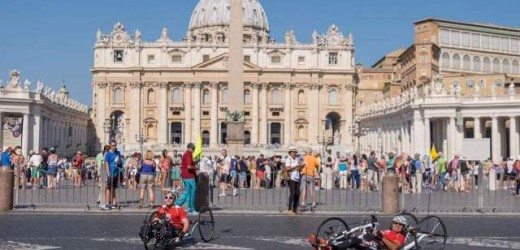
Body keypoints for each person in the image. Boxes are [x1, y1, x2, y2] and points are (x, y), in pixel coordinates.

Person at [310, 216, 407, 250]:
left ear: (403, 227)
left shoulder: (400, 236)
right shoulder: (387, 230)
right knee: (350, 234)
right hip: (370, 240)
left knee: (354, 240)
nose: (397, 225)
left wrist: (381, 237)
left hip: (377, 247)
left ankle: (330, 248)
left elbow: (394, 248)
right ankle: (324, 242)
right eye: (395, 223)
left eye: (400, 224)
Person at [175, 143, 197, 214]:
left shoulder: (186, 154)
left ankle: (189, 208)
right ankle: (177, 204)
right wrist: (197, 168)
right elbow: (189, 167)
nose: (194, 150)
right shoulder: (188, 154)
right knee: (190, 193)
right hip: (189, 176)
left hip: (186, 176)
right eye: (193, 148)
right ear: (189, 148)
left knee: (188, 193)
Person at [285, 147, 303, 215]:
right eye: (293, 152)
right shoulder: (288, 159)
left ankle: (295, 208)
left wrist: (301, 166)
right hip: (291, 177)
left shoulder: (296, 159)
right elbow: (287, 168)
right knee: (292, 193)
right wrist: (296, 166)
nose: (294, 153)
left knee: (298, 193)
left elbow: (298, 167)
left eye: (295, 152)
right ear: (290, 152)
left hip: (297, 177)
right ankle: (289, 208)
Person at [104, 140, 122, 207]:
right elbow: (106, 163)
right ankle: (107, 203)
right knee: (108, 188)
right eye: (113, 145)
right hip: (110, 173)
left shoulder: (118, 153)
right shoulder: (108, 154)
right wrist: (108, 173)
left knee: (114, 188)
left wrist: (120, 164)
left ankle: (114, 202)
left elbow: (120, 161)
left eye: (115, 145)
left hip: (116, 173)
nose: (114, 146)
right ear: (110, 146)